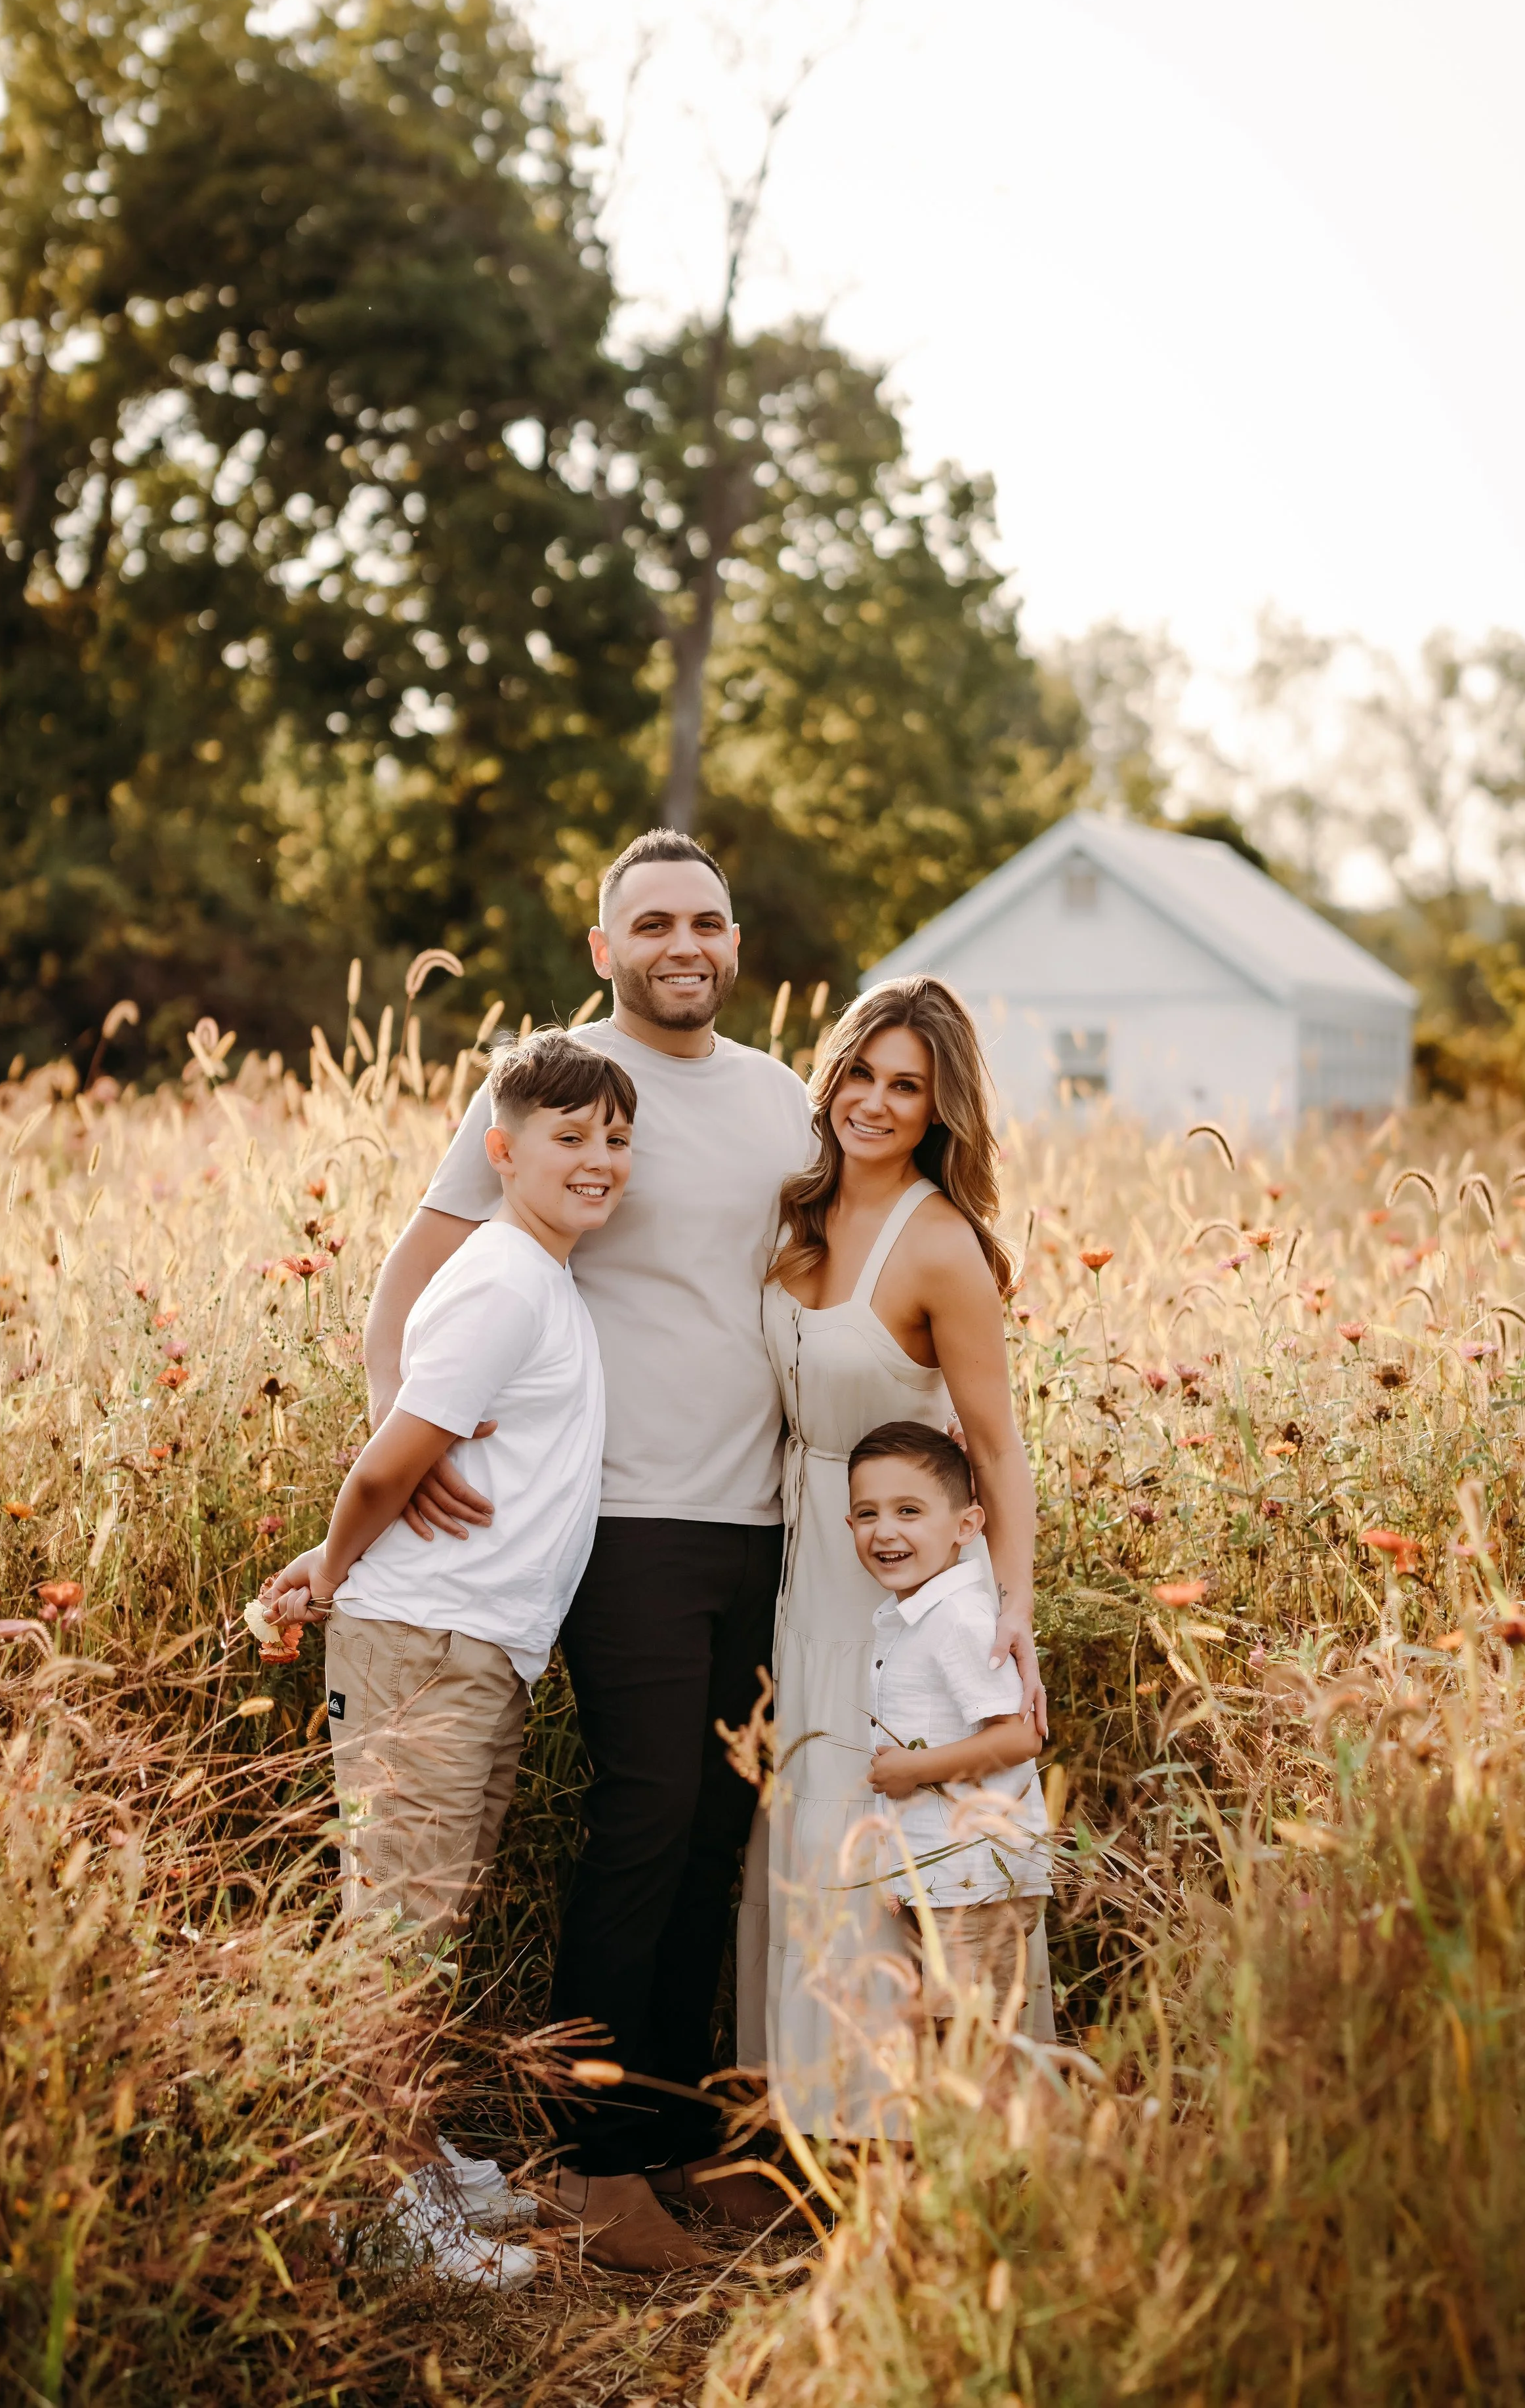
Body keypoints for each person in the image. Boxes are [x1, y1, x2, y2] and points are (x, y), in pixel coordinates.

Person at [362, 829, 816, 2273]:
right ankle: (588, 2167)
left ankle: (679, 2141)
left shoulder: (781, 1098)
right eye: (654, 924)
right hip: (615, 1520)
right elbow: (412, 1272)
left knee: (712, 1833)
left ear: (734, 942)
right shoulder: (553, 1081)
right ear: (603, 944)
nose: (685, 944)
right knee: (641, 1816)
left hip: (758, 1517)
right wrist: (402, 1434)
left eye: (709, 921)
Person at [258, 1024, 635, 2286]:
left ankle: (407, 2154)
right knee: (399, 1930)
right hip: (424, 1637)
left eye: (615, 1138)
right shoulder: (500, 1277)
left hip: (479, 1645)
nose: (597, 1158)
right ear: (503, 1149)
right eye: (569, 1137)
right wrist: (331, 1562)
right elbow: (388, 1460)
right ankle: (369, 2204)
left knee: (433, 1917)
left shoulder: (543, 1277)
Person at [739, 973, 1051, 2139]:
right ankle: (801, 2116)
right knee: (803, 1812)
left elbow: (999, 1449)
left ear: (939, 1108)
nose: (874, 1101)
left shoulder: (941, 1246)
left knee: (875, 1822)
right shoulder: (796, 1212)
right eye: (860, 1073)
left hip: (895, 1577)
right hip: (794, 1550)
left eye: (905, 1086)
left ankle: (893, 2127)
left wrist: (1009, 1608)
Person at [849, 1420, 1052, 2022]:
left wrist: (914, 1769)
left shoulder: (959, 1620)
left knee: (974, 2042)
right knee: (952, 2038)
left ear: (967, 1525)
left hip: (977, 1879)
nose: (885, 1531)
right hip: (942, 1876)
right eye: (866, 1514)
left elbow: (1020, 1735)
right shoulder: (912, 1617)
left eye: (909, 1511)